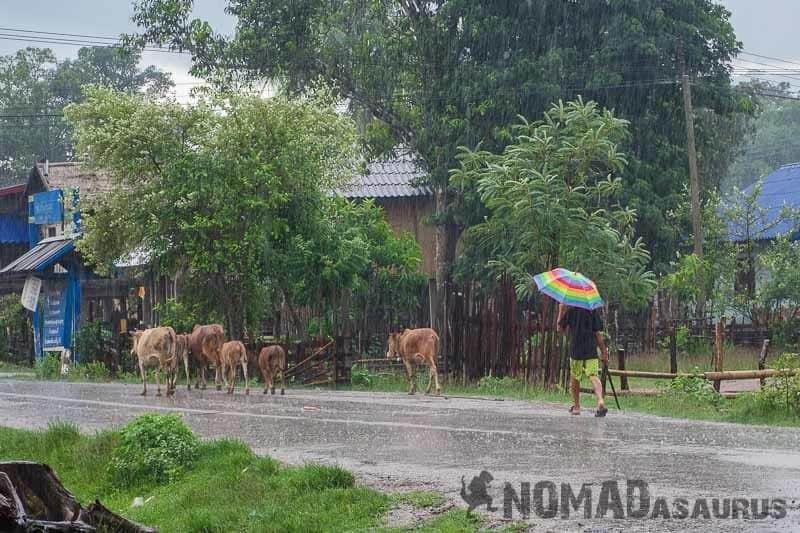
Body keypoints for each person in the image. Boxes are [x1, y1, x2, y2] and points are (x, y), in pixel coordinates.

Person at [557, 303, 609, 417]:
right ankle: (600, 400)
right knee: (594, 376)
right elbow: (598, 334)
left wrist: (561, 310)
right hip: (591, 349)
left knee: (575, 377)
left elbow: (560, 329)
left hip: (576, 350)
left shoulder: (571, 312)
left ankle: (576, 407)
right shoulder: (592, 312)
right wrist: (604, 352)